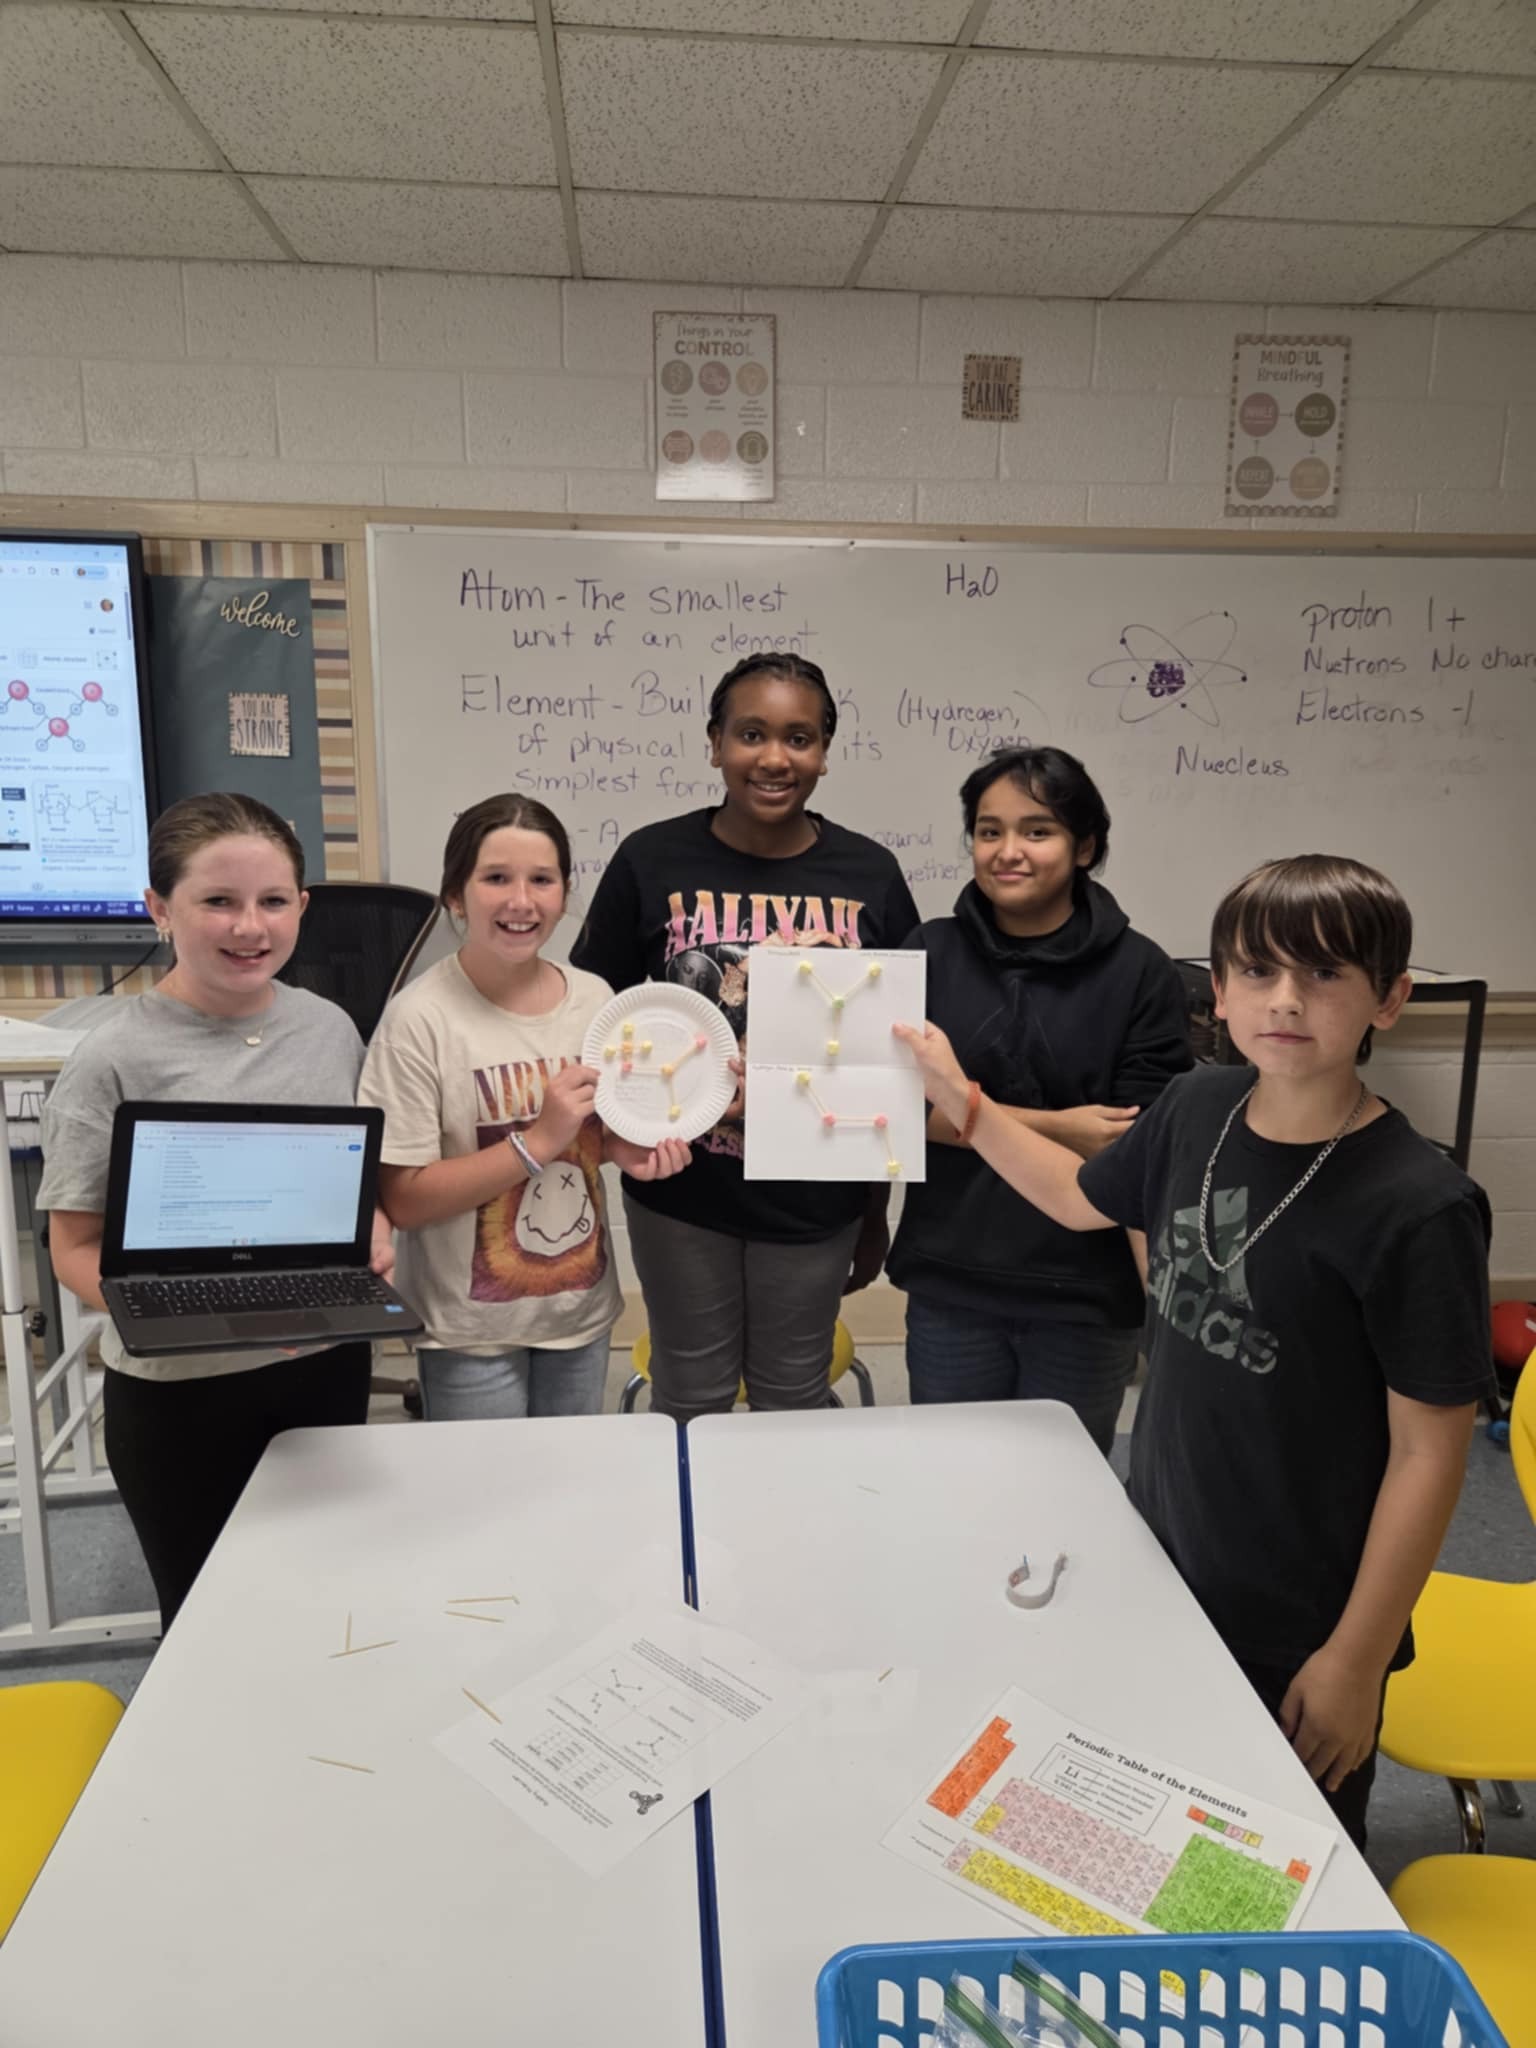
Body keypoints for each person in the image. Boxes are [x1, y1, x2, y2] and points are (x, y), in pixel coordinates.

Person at [896, 855, 1491, 1848]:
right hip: (1165, 1557)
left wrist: (1356, 1657)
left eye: (1327, 974)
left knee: (1276, 1861)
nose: (1286, 1000)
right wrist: (964, 1100)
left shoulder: (1418, 1205)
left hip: (1300, 1610)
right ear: (1216, 990)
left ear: (1390, 998)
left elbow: (1432, 1454)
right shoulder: (1195, 1107)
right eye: (1256, 971)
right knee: (1151, 1829)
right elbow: (1077, 1194)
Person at [39, 792, 391, 1628]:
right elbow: (73, 1247)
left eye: (273, 901)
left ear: (302, 906)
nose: (250, 927)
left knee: (324, 1598)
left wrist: (372, 1229)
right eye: (218, 902)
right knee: (207, 1620)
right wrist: (194, 1312)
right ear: (160, 908)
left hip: (321, 1361)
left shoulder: (331, 1030)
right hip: (179, 1391)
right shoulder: (111, 1060)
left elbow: (353, 1183)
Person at [571, 653, 920, 1422]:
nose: (773, 757)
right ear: (714, 742)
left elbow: (887, 1059)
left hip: (815, 1197)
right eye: (751, 733)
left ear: (825, 753)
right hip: (681, 1191)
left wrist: (873, 1211)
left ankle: (785, 1543)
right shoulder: (650, 861)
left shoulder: (871, 875)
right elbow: (595, 1019)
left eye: (799, 738)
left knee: (792, 1394)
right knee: (690, 1392)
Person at [887, 746, 1191, 1451]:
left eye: (1036, 831)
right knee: (949, 1476)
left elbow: (1128, 1139)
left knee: (1066, 1492)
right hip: (952, 1281)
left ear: (1084, 846)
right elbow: (895, 1114)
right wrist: (1059, 1126)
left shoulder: (1141, 970)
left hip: (1086, 1293)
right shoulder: (927, 952)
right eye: (989, 831)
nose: (1007, 852)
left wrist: (957, 1104)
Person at [359, 794, 687, 1422]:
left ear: (565, 892)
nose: (521, 901)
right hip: (469, 1331)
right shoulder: (418, 1021)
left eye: (542, 880)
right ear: (456, 894)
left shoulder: (595, 1000)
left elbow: (593, 1139)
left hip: (578, 1313)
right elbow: (403, 1198)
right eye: (496, 879)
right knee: (488, 1501)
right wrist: (535, 1142)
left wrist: (626, 1150)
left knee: (566, 1494)